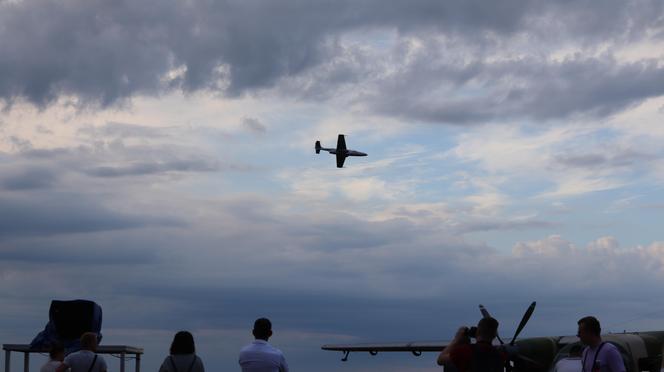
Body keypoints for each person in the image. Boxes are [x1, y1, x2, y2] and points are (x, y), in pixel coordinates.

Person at [437, 317, 504, 372]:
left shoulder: (464, 351)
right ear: (494, 335)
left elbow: (440, 360)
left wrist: (456, 339)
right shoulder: (500, 354)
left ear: (477, 331)